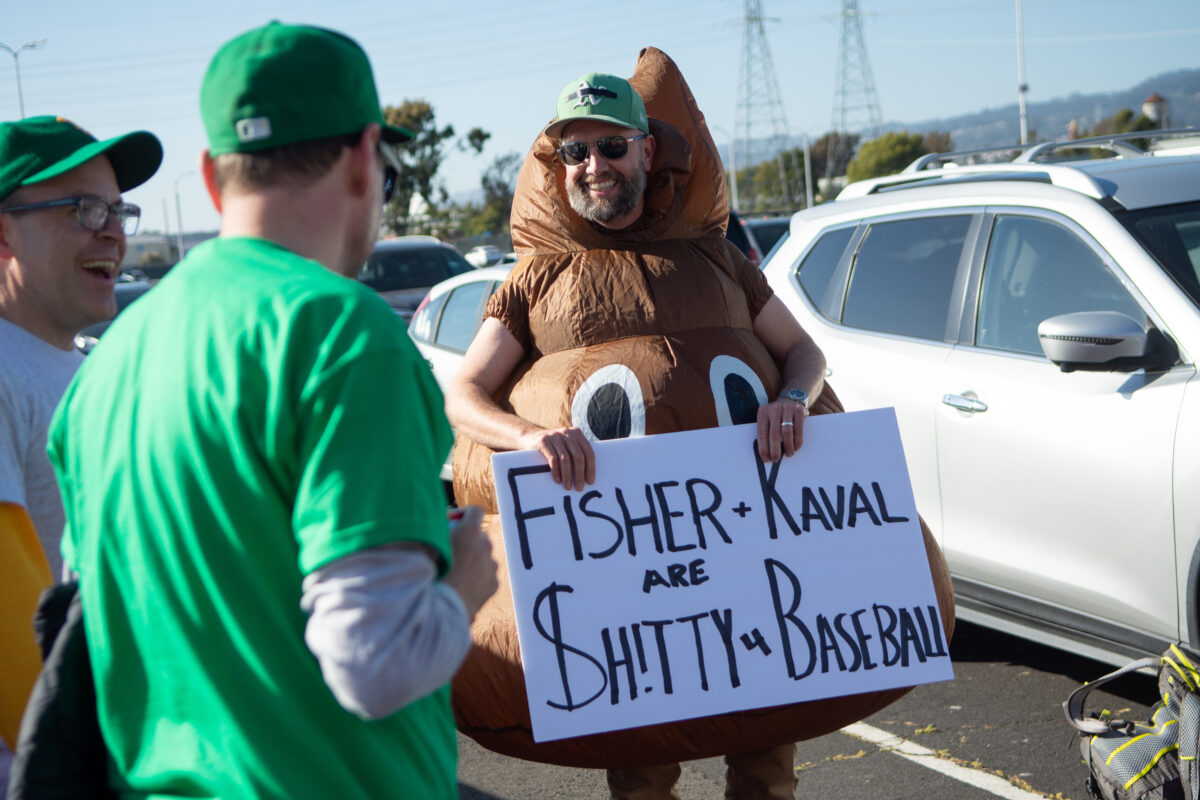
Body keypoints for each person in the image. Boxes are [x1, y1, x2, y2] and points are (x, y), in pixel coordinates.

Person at [44, 22, 497, 799]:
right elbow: (373, 664)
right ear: (363, 158)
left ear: (213, 179)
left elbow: (93, 629)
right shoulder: (343, 335)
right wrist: (464, 581)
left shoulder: (105, 364)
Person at [446, 65, 827, 800]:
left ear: (648, 152)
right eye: (575, 152)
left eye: (612, 148)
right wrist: (527, 438)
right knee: (643, 771)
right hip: (625, 568)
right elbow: (463, 396)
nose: (594, 167)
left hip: (750, 542)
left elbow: (805, 352)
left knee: (768, 758)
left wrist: (793, 398)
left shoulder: (718, 259)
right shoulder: (532, 281)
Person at [0, 115, 162, 785]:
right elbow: (13, 631)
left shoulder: (92, 366)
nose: (115, 230)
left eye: (118, 208)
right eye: (83, 208)